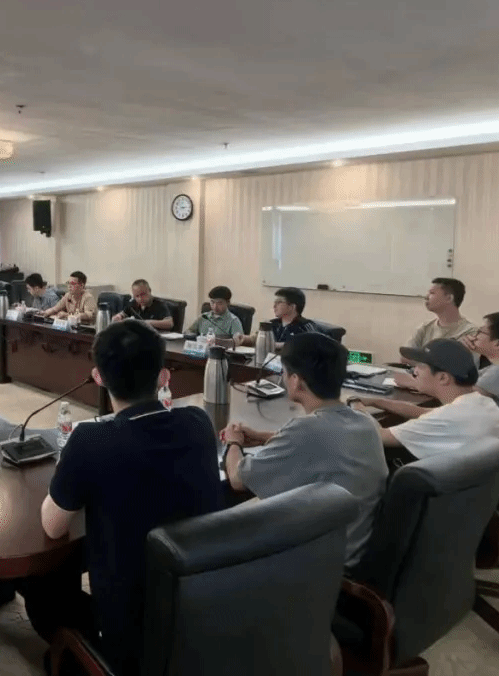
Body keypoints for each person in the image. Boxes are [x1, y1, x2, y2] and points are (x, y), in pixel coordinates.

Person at [27, 320, 223, 675]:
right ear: (164, 377)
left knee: (42, 585)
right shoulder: (198, 422)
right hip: (201, 606)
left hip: (133, 637)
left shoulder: (90, 440)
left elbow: (53, 526)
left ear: (98, 377)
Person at [223, 333, 387, 569]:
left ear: (296, 381)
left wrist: (233, 442)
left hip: (321, 564)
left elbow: (238, 479)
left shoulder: (307, 430)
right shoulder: (366, 421)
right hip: (352, 548)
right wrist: (264, 437)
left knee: (225, 526)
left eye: (284, 373)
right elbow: (325, 442)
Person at [358, 339, 499, 459]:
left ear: (443, 378)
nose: (414, 371)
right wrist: (378, 402)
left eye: (420, 366)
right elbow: (425, 413)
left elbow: (376, 436)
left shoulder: (447, 418)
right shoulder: (480, 403)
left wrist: (356, 405)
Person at [404, 278, 476, 353]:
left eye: (432, 293)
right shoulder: (425, 328)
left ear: (449, 298)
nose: (426, 297)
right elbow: (406, 355)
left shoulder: (470, 332)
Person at [240, 286, 317, 349]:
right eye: (275, 302)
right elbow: (255, 339)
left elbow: (305, 346)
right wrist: (241, 339)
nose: (274, 306)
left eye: (279, 302)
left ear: (292, 307)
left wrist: (275, 345)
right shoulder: (271, 324)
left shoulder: (305, 326)